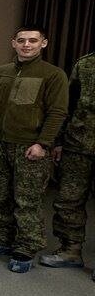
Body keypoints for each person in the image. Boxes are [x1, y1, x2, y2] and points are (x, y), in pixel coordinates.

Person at [0, 27, 69, 273]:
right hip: (0, 144)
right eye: (22, 40)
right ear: (13, 43)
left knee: (27, 200)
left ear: (43, 43)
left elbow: (58, 112)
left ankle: (26, 248)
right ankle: (1, 239)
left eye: (33, 40)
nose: (27, 45)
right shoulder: (1, 73)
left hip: (31, 147)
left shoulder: (53, 75)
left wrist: (43, 143)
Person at [41, 49, 95, 278]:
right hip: (77, 144)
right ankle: (70, 250)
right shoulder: (85, 64)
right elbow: (68, 105)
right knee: (68, 200)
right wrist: (60, 141)